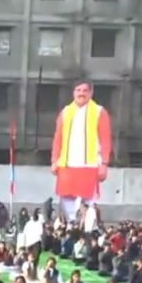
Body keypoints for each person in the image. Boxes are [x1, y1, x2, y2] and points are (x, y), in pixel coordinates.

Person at [51, 80, 112, 222]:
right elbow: (57, 139)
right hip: (67, 164)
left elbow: (105, 140)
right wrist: (54, 160)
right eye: (78, 90)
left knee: (88, 201)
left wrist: (104, 163)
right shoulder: (65, 112)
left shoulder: (99, 112)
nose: (81, 94)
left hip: (89, 165)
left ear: (91, 93)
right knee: (66, 199)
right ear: (73, 93)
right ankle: (70, 227)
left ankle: (86, 229)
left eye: (85, 91)